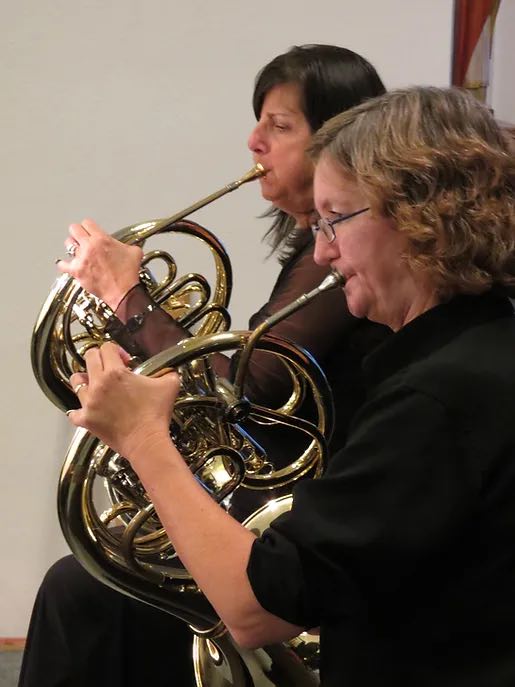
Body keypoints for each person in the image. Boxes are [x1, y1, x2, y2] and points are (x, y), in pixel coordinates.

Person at [65, 85, 515, 686]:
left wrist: (142, 437)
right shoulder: (481, 351)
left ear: (415, 214)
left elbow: (257, 610)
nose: (324, 253)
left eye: (334, 220)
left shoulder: (437, 399)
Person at [19, 45, 388, 687]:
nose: (253, 140)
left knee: (80, 592)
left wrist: (127, 297)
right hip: (275, 512)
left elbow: (246, 386)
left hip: (303, 529)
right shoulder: (318, 254)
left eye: (279, 125)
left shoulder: (337, 270)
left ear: (338, 138)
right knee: (85, 585)